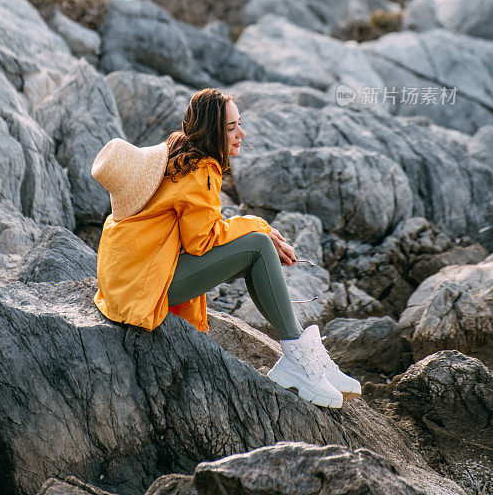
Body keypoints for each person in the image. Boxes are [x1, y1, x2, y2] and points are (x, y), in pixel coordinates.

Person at [91, 87, 360, 408]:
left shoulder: (176, 153)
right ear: (210, 132)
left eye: (239, 124)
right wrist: (260, 226)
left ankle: (302, 353)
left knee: (255, 245)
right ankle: (299, 358)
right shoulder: (201, 169)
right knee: (258, 245)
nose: (241, 133)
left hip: (124, 283)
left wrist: (253, 229)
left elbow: (200, 227)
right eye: (231, 128)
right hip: (143, 288)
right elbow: (201, 241)